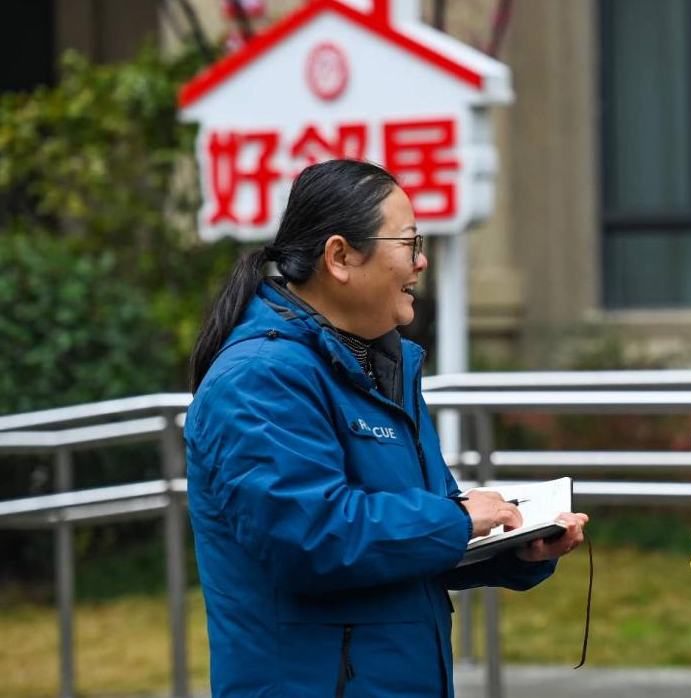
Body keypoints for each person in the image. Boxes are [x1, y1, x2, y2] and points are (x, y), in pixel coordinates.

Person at [184, 159, 588, 697]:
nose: (421, 262)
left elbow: (404, 544)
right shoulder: (259, 379)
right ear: (340, 257)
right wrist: (456, 520)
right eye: (408, 242)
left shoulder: (378, 366)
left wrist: (515, 548)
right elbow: (311, 538)